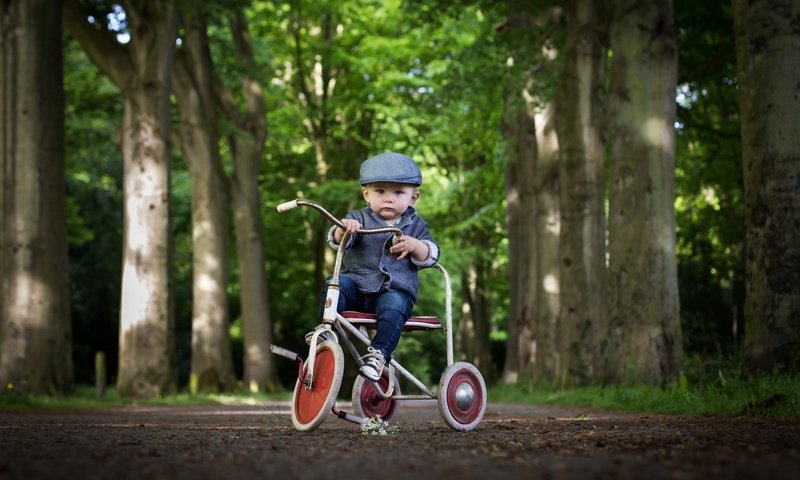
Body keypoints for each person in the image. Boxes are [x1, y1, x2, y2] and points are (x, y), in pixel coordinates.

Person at [324, 152, 439, 381]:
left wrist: (416, 245)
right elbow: (336, 241)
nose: (388, 198)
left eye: (398, 192)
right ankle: (326, 334)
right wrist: (344, 228)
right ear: (366, 194)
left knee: (396, 302)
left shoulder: (415, 225)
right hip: (357, 288)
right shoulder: (358, 218)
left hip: (393, 292)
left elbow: (432, 253)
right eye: (380, 191)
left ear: (413, 198)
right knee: (335, 283)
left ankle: (378, 355)